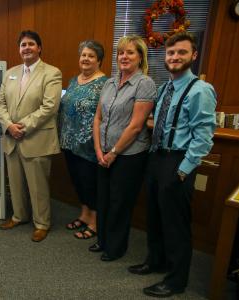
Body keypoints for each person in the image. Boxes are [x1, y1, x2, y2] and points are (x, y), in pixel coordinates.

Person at [128, 32, 216, 298]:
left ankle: (176, 280)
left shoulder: (201, 90)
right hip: (157, 157)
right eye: (171, 53)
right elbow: (161, 121)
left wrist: (183, 169)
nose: (175, 57)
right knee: (154, 216)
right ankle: (155, 261)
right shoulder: (165, 88)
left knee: (176, 224)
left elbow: (203, 136)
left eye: (181, 52)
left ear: (193, 55)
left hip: (178, 162)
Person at [90, 35, 156, 260]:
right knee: (104, 199)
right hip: (104, 152)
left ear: (140, 57)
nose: (124, 57)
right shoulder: (109, 82)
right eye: (120, 52)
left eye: (130, 52)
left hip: (129, 155)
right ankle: (103, 240)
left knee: (120, 202)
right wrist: (99, 150)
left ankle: (115, 248)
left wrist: (114, 153)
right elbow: (98, 118)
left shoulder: (144, 83)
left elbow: (137, 126)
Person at [0, 30, 62, 242]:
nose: (27, 48)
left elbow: (50, 107)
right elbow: (0, 104)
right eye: (23, 45)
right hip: (11, 139)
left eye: (31, 44)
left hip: (36, 138)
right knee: (14, 183)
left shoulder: (51, 73)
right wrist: (8, 125)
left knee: (37, 186)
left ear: (39, 47)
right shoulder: (10, 73)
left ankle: (42, 223)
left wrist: (20, 127)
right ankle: (19, 215)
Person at [59, 40, 108, 239]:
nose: (85, 59)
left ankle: (95, 222)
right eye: (83, 55)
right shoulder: (74, 80)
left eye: (91, 56)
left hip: (89, 144)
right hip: (69, 142)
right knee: (78, 181)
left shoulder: (105, 84)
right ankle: (84, 215)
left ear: (99, 60)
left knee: (90, 183)